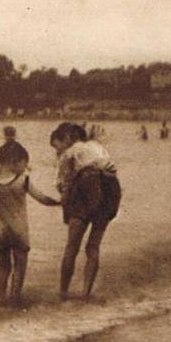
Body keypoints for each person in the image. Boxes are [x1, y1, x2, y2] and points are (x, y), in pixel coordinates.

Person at [0, 140, 59, 305]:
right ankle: (15, 300)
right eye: (24, 164)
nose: (25, 168)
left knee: (3, 268)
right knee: (19, 267)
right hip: (20, 233)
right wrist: (60, 202)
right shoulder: (22, 180)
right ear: (14, 162)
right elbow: (42, 198)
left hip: (2, 233)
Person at [51, 122, 122, 301]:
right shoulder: (97, 146)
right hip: (110, 189)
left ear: (66, 138)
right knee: (93, 246)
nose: (56, 151)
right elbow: (110, 168)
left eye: (56, 146)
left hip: (86, 186)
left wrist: (65, 202)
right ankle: (86, 293)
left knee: (72, 246)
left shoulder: (69, 152)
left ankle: (63, 292)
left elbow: (61, 184)